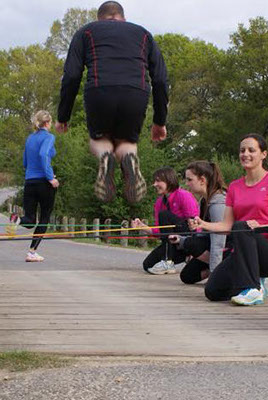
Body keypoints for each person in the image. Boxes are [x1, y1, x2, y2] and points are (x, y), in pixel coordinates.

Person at [55, 1, 169, 204]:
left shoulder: (86, 32)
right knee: (127, 142)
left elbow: (72, 75)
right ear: (122, 17)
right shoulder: (143, 34)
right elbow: (160, 79)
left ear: (100, 18)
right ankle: (131, 163)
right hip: (136, 92)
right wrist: (159, 121)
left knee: (99, 140)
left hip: (100, 89)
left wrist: (63, 116)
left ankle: (105, 156)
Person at [190, 134, 268, 306]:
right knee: (212, 291)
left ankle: (252, 288)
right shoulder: (234, 186)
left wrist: (261, 227)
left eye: (251, 150)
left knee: (242, 226)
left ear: (263, 154)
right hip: (241, 254)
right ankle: (253, 282)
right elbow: (227, 226)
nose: (245, 154)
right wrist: (203, 224)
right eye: (242, 150)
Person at [8, 111, 59, 262]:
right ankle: (31, 252)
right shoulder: (49, 137)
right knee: (44, 218)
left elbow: (25, 162)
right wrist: (51, 178)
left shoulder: (30, 138)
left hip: (29, 182)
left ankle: (16, 220)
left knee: (29, 220)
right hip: (44, 183)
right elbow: (44, 155)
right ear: (48, 123)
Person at [169, 161, 229, 284]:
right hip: (213, 247)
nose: (187, 184)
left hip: (227, 249)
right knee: (187, 276)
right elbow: (203, 235)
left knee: (192, 244)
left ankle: (224, 270)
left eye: (190, 180)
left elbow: (219, 241)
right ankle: (223, 270)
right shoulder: (203, 201)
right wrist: (181, 240)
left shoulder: (218, 202)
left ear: (202, 180)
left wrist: (214, 276)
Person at [132, 167, 199, 275]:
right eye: (154, 181)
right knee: (148, 265)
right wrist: (142, 226)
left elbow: (196, 224)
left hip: (187, 236)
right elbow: (161, 232)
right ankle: (171, 259)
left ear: (169, 180)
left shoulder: (184, 195)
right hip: (172, 243)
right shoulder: (159, 202)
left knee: (164, 215)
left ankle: (169, 261)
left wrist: (194, 247)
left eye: (158, 181)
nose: (154, 184)